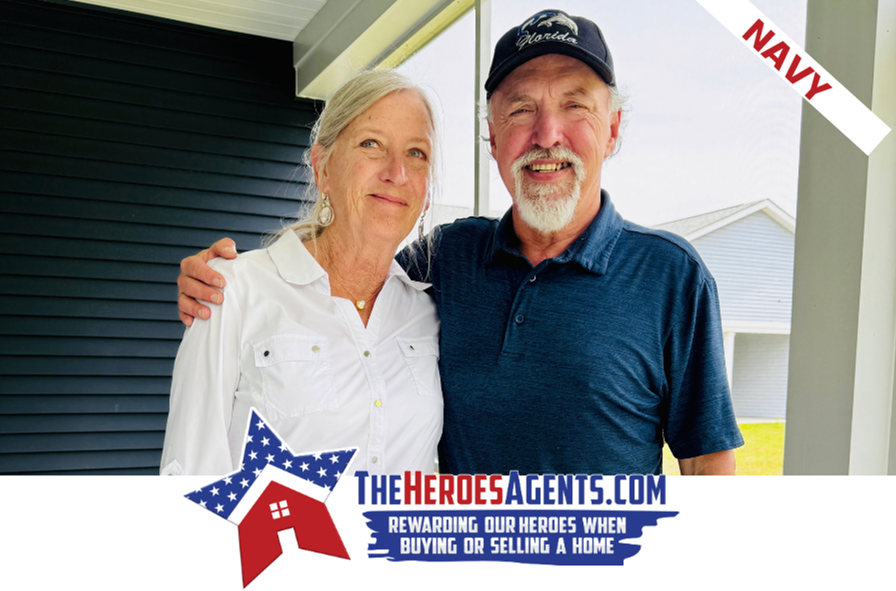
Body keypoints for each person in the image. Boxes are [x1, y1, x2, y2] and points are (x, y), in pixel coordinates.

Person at [177, 10, 743, 475]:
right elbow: (344, 262)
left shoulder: (671, 276)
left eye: (575, 105)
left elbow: (707, 463)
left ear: (613, 128)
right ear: (492, 136)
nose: (547, 135)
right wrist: (232, 278)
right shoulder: (447, 259)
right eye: (521, 109)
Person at [160, 70, 443, 475]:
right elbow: (187, 479)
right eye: (371, 144)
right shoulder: (232, 291)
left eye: (416, 153)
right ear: (322, 168)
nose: (397, 173)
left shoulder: (429, 312)